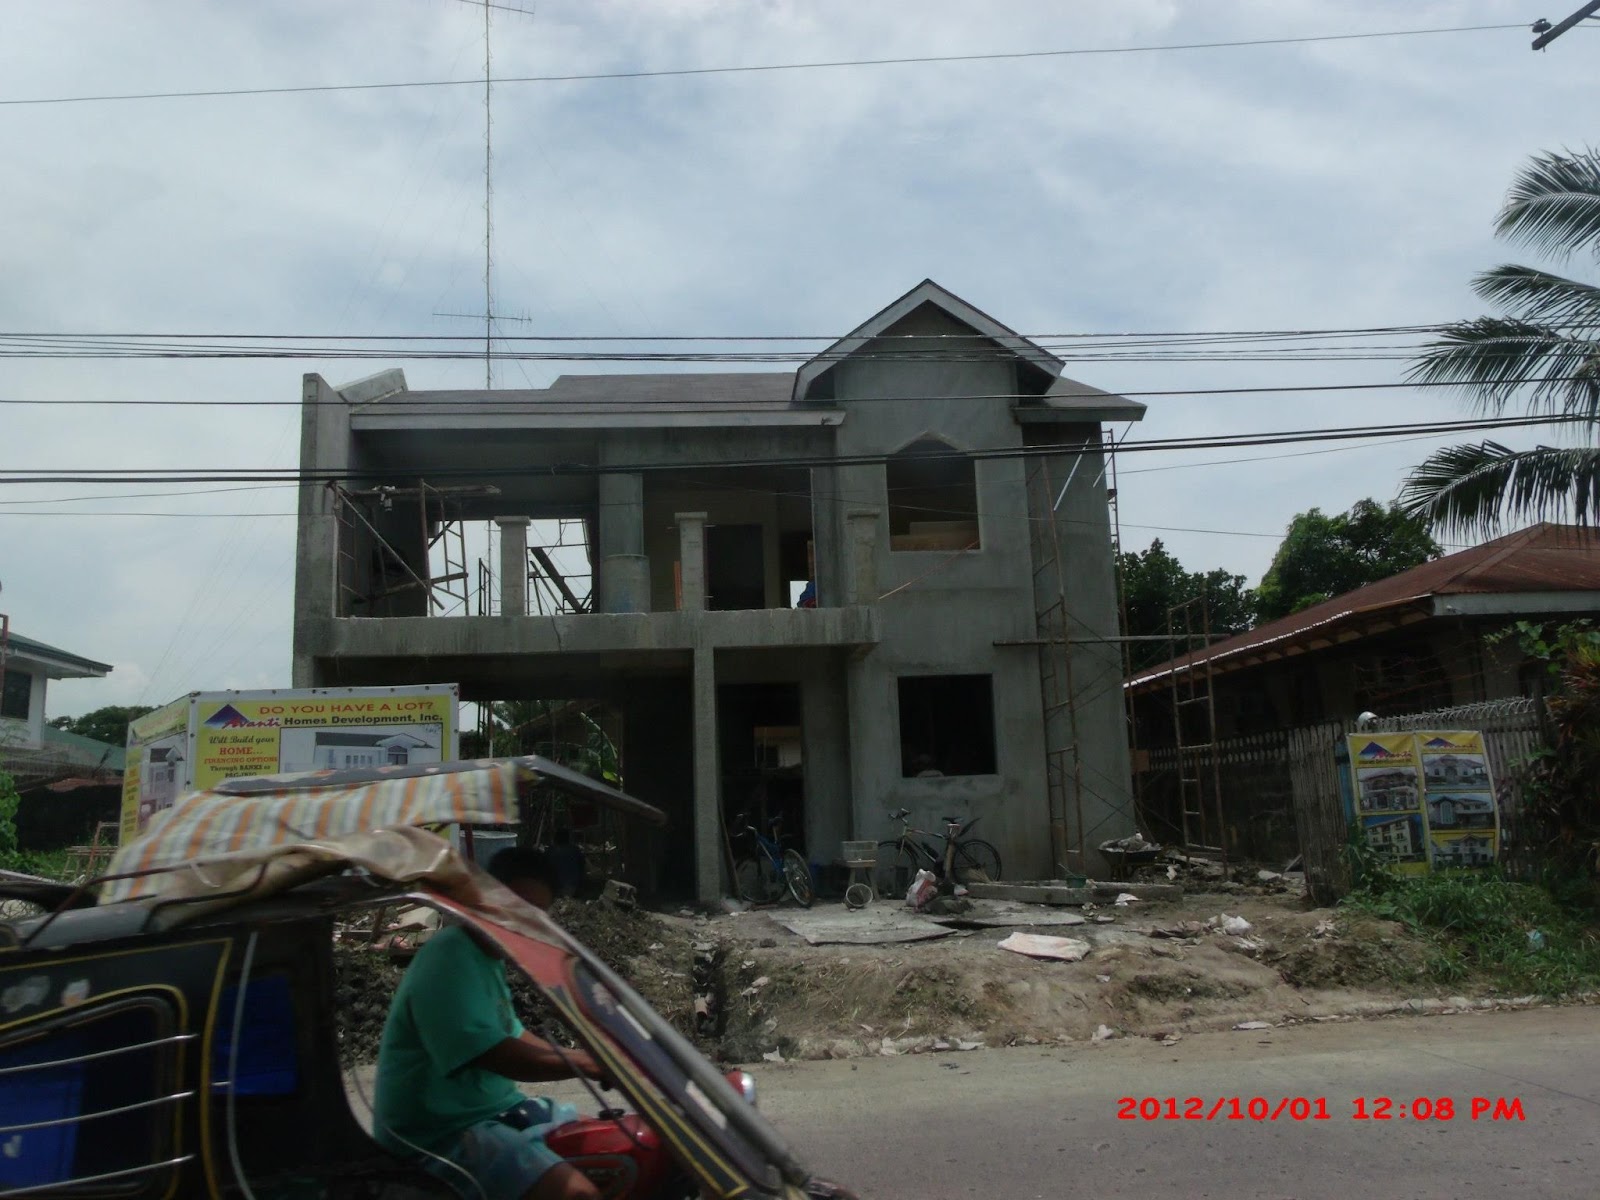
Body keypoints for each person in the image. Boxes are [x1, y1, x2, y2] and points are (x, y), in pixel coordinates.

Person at [372, 847, 607, 1200]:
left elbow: (513, 1034)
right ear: (484, 898)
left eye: (534, 914)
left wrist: (595, 1052)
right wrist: (589, 1064)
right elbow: (496, 1054)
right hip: (439, 1136)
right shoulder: (449, 955)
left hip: (495, 1113)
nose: (521, 922)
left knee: (610, 1143)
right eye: (514, 905)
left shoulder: (489, 956)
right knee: (578, 1195)